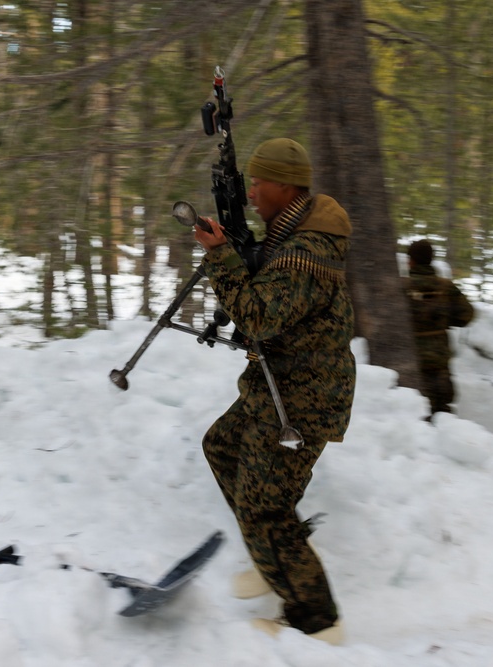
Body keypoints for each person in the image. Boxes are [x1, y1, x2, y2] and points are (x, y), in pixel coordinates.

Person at [194, 138, 355, 644]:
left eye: (259, 183)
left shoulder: (306, 253)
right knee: (222, 447)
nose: (252, 192)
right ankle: (273, 560)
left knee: (266, 506)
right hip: (279, 387)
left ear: (286, 186)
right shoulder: (289, 238)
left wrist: (221, 256)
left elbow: (260, 315)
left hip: (304, 399)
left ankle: (317, 620)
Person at [403, 239, 474, 416]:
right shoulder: (445, 287)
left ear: (411, 260)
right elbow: (467, 315)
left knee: (414, 408)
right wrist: (444, 319)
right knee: (443, 410)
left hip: (412, 357)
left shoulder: (401, 286)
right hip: (440, 357)